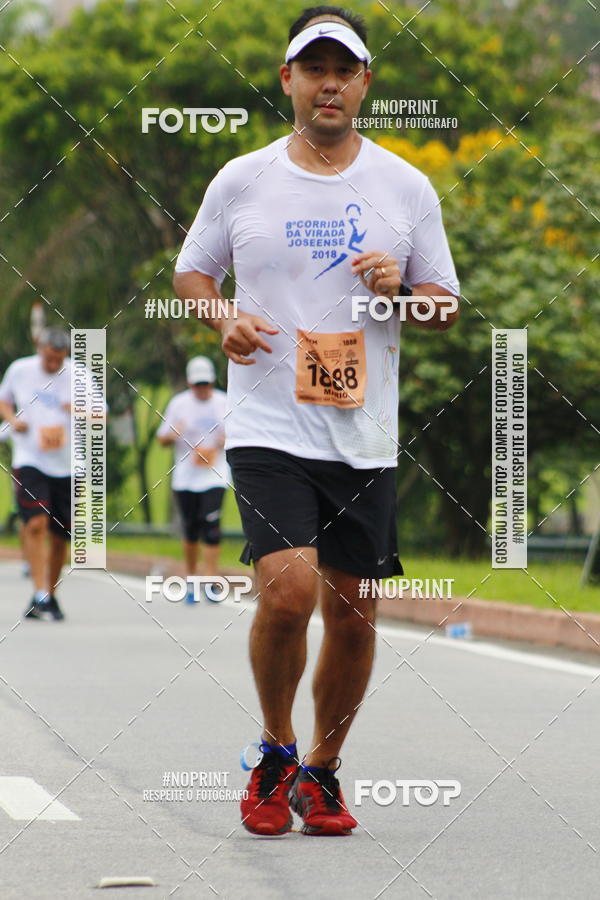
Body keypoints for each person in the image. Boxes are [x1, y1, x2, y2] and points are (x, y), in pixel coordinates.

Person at [173, 5, 460, 836]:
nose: (328, 84)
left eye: (345, 70)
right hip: (268, 425)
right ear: (288, 79)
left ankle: (322, 771)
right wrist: (220, 317)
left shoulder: (405, 186)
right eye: (314, 68)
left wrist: (399, 293)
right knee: (290, 593)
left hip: (363, 431)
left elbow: (442, 306)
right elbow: (193, 271)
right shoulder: (243, 178)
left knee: (354, 610)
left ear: (365, 83)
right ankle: (274, 749)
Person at [0, 328, 75, 620]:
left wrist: (80, 409)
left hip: (67, 464)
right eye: (49, 358)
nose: (54, 364)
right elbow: (3, 400)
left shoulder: (77, 375)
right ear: (40, 349)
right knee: (35, 524)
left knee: (60, 536)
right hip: (30, 458)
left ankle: (49, 595)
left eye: (59, 358)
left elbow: (102, 413)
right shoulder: (20, 370)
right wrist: (11, 419)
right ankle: (40, 591)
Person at [157, 356, 229, 603]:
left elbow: (236, 434)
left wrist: (218, 445)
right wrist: (175, 432)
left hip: (214, 476)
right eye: (197, 384)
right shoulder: (179, 404)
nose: (202, 389)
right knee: (190, 529)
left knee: (211, 527)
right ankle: (190, 579)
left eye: (206, 384)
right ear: (190, 384)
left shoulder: (223, 402)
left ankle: (210, 581)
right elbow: (162, 439)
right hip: (186, 478)